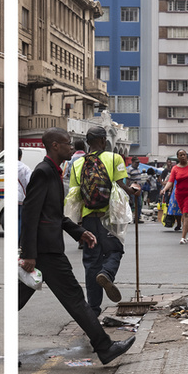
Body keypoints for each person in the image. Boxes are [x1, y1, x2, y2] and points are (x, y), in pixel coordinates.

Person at [20, 128, 135, 365]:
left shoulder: (54, 171)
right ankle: (105, 347)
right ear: (54, 146)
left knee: (18, 299)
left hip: (47, 249)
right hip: (45, 251)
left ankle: (104, 347)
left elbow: (53, 215)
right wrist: (28, 253)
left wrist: (80, 232)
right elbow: (30, 214)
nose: (71, 147)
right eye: (66, 143)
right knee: (74, 298)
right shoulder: (43, 172)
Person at [68, 126, 139, 318]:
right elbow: (121, 187)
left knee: (91, 262)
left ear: (88, 141)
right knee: (115, 250)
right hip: (109, 217)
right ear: (102, 140)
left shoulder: (77, 163)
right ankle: (107, 274)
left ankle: (93, 310)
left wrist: (77, 226)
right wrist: (133, 189)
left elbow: (74, 196)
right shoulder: (115, 158)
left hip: (88, 219)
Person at [17, 148, 32, 239]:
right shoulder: (25, 168)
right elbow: (29, 183)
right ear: (20, 156)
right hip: (21, 198)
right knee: (20, 220)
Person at [126, 157, 145, 223]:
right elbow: (127, 180)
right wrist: (128, 190)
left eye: (138, 162)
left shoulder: (138, 169)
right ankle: (128, 218)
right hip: (133, 189)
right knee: (131, 204)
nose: (138, 164)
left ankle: (137, 218)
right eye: (136, 162)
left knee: (139, 204)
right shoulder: (129, 169)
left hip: (139, 189)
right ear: (132, 162)